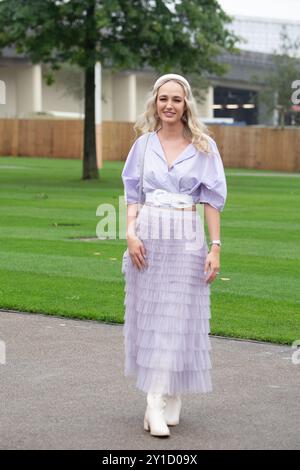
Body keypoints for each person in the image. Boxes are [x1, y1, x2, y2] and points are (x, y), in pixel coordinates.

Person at [121, 73, 227, 438]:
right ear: (155, 103)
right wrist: (130, 234)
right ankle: (154, 402)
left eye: (176, 99)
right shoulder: (143, 145)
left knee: (179, 316)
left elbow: (212, 200)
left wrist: (215, 247)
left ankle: (172, 393)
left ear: (186, 105)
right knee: (154, 319)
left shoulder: (203, 146)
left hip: (186, 239)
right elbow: (133, 195)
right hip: (149, 237)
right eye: (163, 98)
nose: (169, 105)